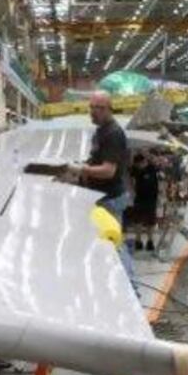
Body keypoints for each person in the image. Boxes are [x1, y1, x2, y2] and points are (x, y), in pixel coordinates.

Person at [67, 92, 136, 289]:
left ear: (107, 109)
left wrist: (81, 170)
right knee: (108, 245)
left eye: (97, 108)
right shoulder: (100, 131)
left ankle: (132, 290)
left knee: (114, 244)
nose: (93, 112)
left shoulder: (113, 133)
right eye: (91, 107)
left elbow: (108, 171)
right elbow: (97, 159)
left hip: (110, 199)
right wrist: (82, 166)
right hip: (102, 198)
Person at [130, 151, 159, 251]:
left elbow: (157, 161)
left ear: (143, 162)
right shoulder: (134, 170)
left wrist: (146, 153)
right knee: (137, 221)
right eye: (136, 165)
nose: (138, 166)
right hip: (139, 198)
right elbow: (132, 182)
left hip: (151, 199)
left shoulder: (152, 168)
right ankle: (138, 241)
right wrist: (133, 193)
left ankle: (150, 241)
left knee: (150, 222)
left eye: (139, 164)